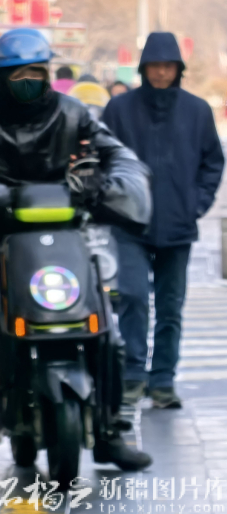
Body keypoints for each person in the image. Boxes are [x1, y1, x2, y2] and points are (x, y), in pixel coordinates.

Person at [0, 27, 153, 471]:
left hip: (70, 238)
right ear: (0, 76)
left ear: (48, 72)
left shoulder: (74, 113)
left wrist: (109, 183)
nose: (26, 80)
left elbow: (115, 153)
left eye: (34, 71)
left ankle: (111, 430)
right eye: (16, 74)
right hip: (2, 241)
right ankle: (8, 406)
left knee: (105, 330)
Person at [102, 32, 225, 409]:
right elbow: (101, 158)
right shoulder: (119, 109)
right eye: (155, 66)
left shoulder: (197, 110)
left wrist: (196, 204)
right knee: (133, 297)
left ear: (178, 69)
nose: (161, 73)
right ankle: (133, 375)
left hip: (178, 223)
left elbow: (212, 162)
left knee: (171, 307)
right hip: (130, 223)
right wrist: (112, 201)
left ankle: (163, 381)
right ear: (143, 68)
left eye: (168, 66)